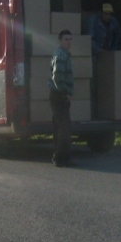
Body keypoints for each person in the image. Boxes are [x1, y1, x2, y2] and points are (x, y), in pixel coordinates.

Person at [49, 29, 75, 167]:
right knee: (65, 128)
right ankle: (61, 158)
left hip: (59, 94)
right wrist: (66, 92)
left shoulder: (65, 54)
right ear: (60, 40)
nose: (69, 42)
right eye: (66, 39)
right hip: (59, 95)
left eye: (70, 39)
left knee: (59, 128)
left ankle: (58, 157)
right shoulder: (60, 55)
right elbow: (57, 77)